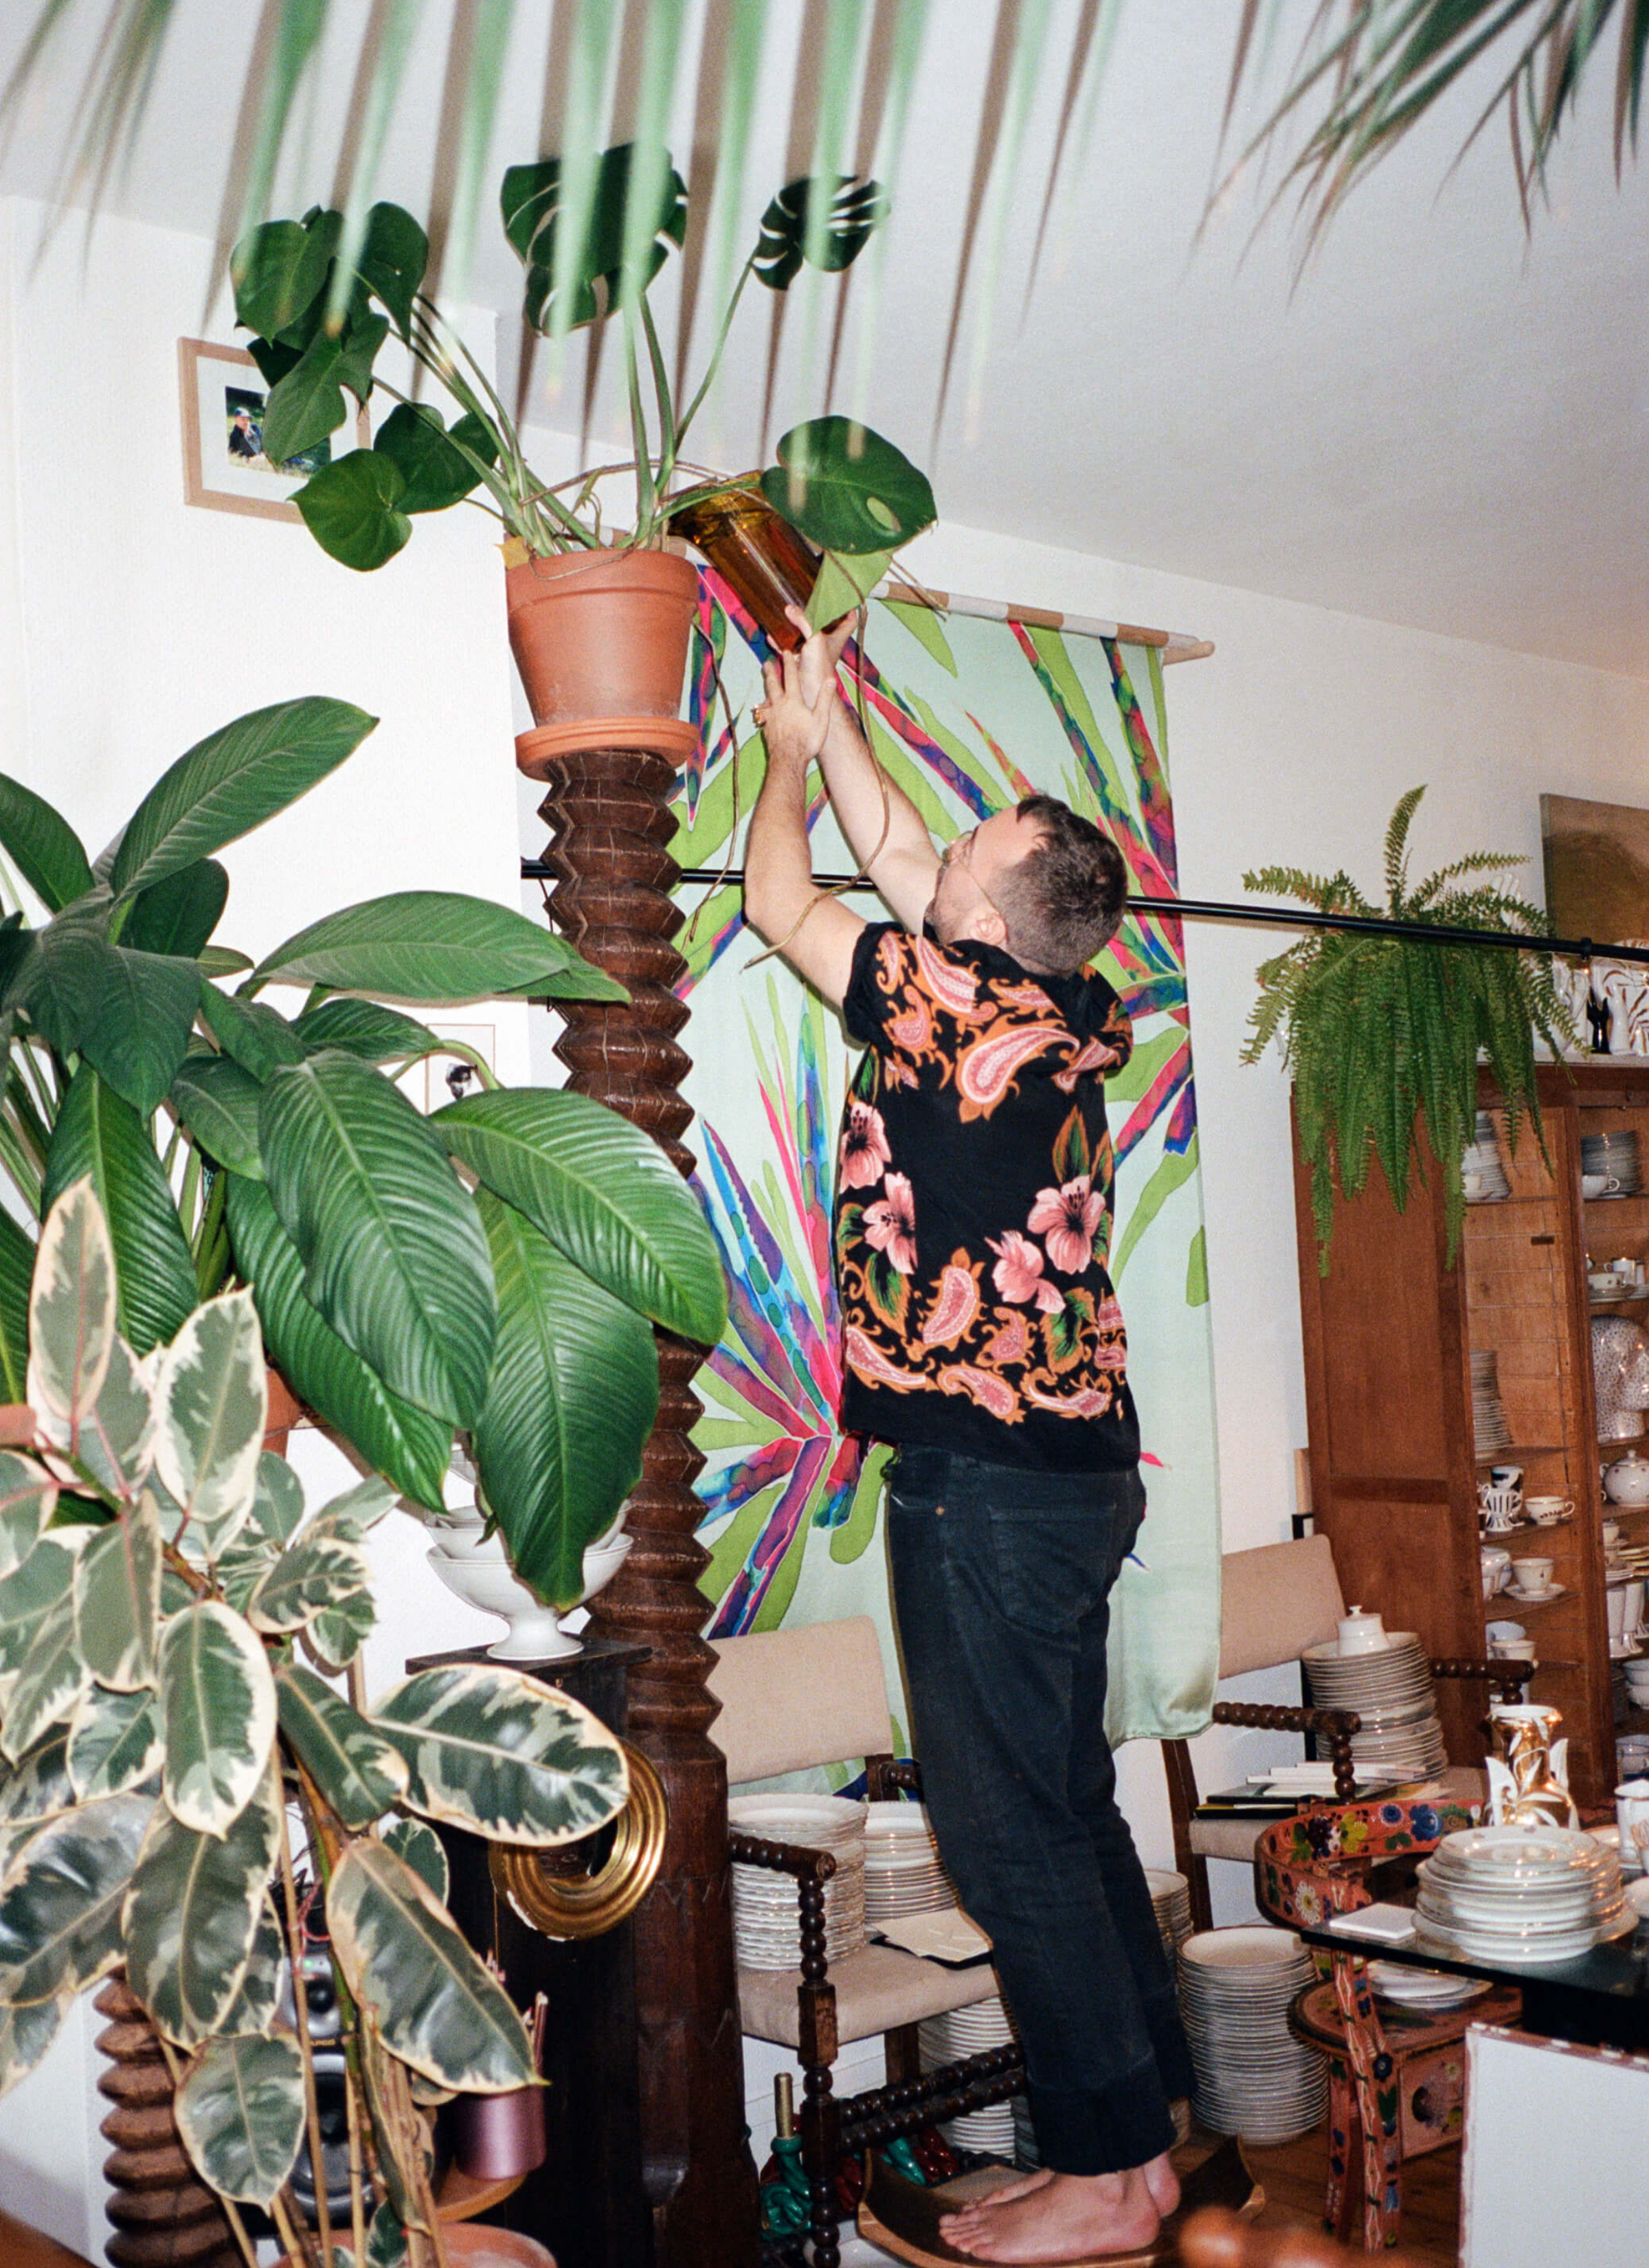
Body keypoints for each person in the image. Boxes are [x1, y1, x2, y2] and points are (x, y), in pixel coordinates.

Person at [743, 607, 1193, 2264]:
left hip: (988, 1490)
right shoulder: (1081, 1007)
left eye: (971, 855)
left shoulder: (942, 1009)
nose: (941, 852)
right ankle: (1135, 2151)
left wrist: (785, 752)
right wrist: (839, 708)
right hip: (1077, 1480)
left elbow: (784, 896)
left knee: (1006, 1834)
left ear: (986, 922)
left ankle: (1102, 2175)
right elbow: (908, 848)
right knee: (1068, 1806)